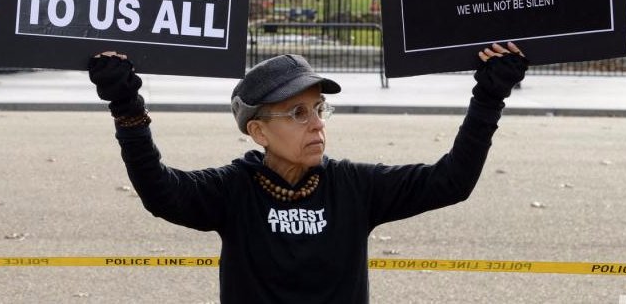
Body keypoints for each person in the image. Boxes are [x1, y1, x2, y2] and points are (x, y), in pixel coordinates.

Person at [88, 42, 527, 304]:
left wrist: (488, 100)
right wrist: (127, 107)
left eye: (319, 109)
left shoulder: (355, 186)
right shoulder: (232, 190)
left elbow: (451, 182)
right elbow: (161, 192)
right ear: (258, 130)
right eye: (298, 112)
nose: (317, 123)